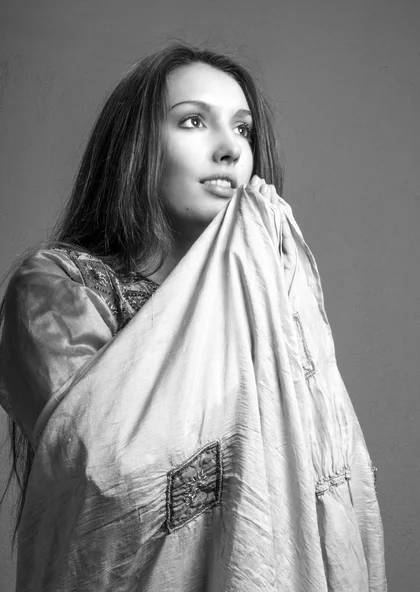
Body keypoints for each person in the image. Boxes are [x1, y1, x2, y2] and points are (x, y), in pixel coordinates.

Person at [0, 43, 387, 591]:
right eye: (193, 121)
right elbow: (108, 472)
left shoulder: (272, 302)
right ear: (136, 146)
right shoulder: (57, 288)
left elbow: (327, 484)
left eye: (243, 129)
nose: (229, 149)